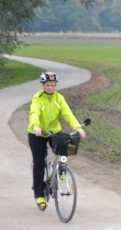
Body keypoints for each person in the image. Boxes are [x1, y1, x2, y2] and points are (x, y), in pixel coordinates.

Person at [26, 71, 87, 210]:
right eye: (47, 85)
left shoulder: (59, 98)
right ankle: (39, 194)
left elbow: (68, 113)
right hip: (37, 133)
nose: (50, 87)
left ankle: (61, 173)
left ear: (55, 85)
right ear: (43, 85)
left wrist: (77, 127)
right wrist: (36, 126)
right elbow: (34, 113)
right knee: (39, 163)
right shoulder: (37, 98)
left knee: (64, 150)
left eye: (53, 85)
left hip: (54, 131)